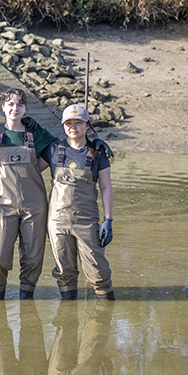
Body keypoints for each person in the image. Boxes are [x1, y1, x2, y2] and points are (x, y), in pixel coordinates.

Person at [0, 88, 57, 300]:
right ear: (2, 107)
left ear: (25, 108)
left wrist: (93, 145)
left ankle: (27, 301)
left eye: (19, 104)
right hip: (3, 206)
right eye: (10, 104)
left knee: (33, 259)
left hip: (35, 206)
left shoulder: (36, 133)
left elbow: (61, 147)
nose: (15, 108)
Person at [44, 104, 115, 300]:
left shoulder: (98, 153)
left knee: (98, 272)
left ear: (87, 125)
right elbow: (28, 171)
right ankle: (67, 322)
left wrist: (108, 220)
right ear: (63, 125)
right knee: (64, 273)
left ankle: (105, 316)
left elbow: (106, 188)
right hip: (57, 223)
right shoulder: (53, 150)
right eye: (69, 123)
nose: (73, 127)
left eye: (78, 123)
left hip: (87, 222)